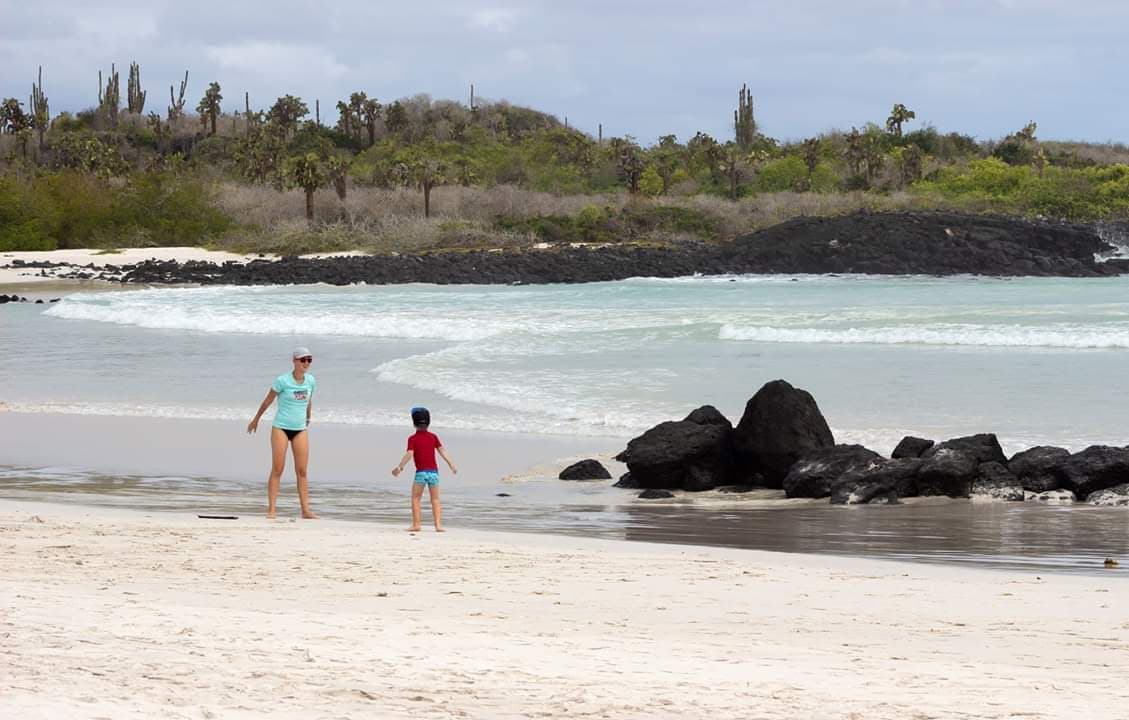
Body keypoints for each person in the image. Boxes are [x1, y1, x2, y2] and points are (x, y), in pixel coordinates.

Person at [247, 347, 318, 519]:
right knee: (278, 469)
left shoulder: (310, 381)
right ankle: (271, 509)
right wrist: (256, 419)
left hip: (300, 429)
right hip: (281, 428)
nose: (306, 363)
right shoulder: (282, 381)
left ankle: (305, 510)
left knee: (302, 471)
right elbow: (268, 401)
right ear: (294, 361)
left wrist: (308, 418)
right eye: (303, 360)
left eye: (309, 360)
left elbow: (308, 401)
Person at [392, 406, 457, 532]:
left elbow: (409, 454)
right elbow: (442, 451)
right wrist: (451, 464)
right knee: (436, 499)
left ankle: (417, 524)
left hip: (421, 473)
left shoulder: (412, 438)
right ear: (428, 422)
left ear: (414, 423)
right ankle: (438, 525)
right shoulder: (433, 437)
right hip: (434, 473)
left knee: (416, 498)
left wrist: (400, 467)